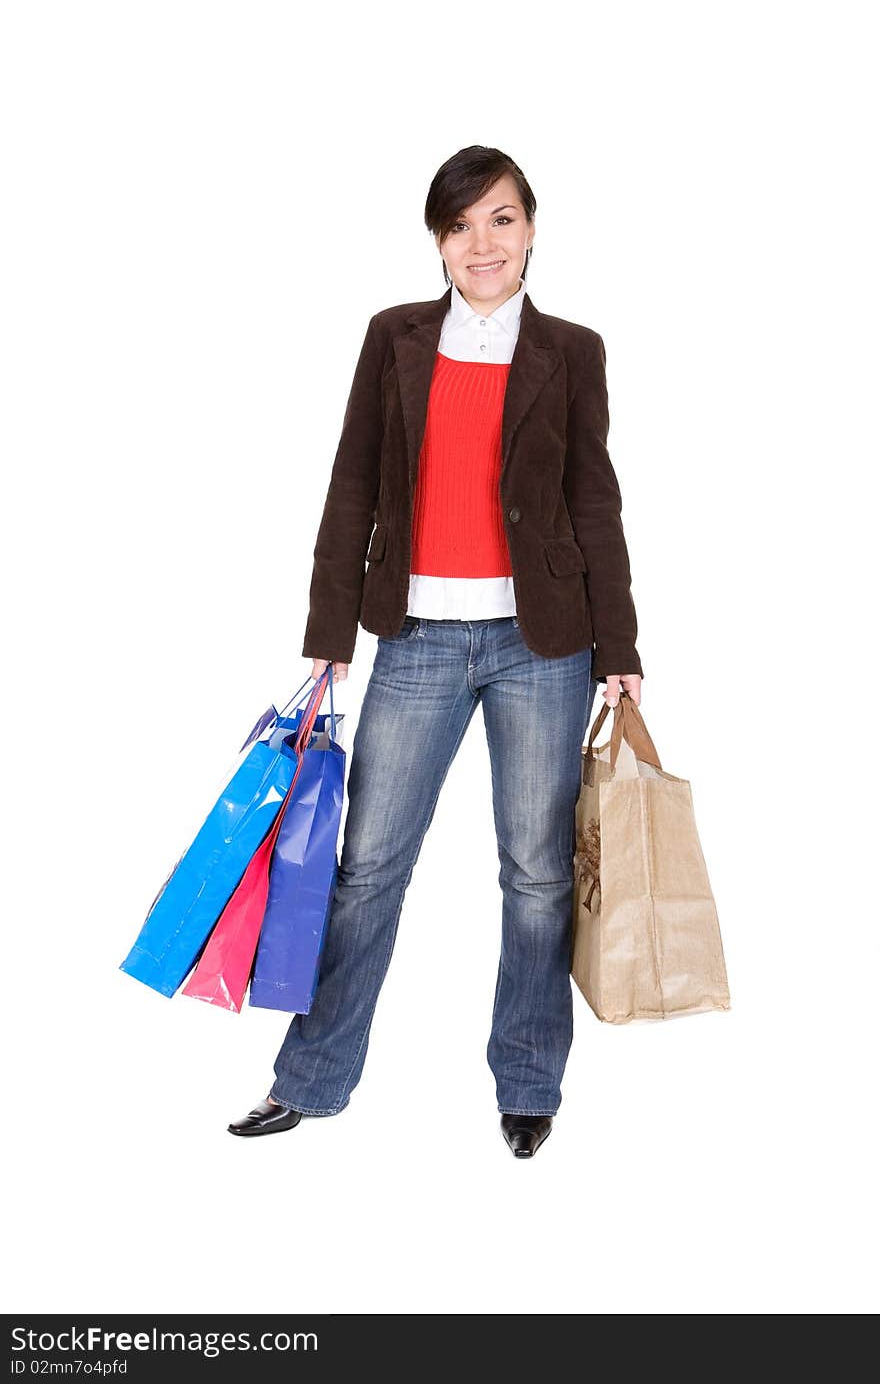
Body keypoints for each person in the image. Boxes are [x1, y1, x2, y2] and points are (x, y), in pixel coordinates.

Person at [228, 145, 644, 1158]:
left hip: (540, 645)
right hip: (413, 638)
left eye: (500, 220)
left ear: (531, 228)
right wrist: (329, 637)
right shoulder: (394, 339)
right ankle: (312, 1079)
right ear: (438, 242)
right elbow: (353, 486)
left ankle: (529, 1080)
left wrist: (619, 643)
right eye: (460, 226)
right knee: (367, 865)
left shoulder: (572, 351)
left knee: (537, 873)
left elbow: (594, 498)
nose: (481, 243)